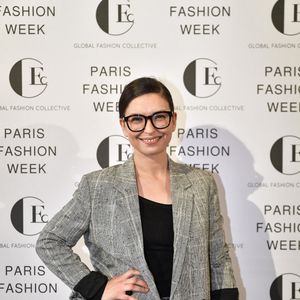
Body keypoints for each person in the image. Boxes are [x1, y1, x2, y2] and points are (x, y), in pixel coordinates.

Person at [36, 77, 239, 300]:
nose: (149, 129)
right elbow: (50, 241)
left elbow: (218, 258)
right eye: (137, 119)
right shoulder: (96, 187)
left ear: (173, 121)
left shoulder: (202, 183)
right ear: (124, 125)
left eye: (159, 117)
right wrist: (98, 288)